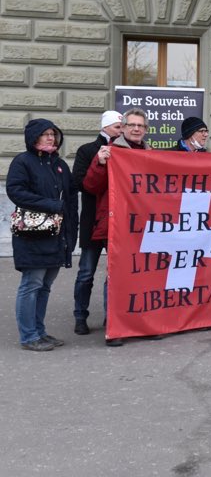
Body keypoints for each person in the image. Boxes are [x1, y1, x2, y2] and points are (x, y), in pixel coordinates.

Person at [82, 108, 153, 346]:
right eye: (132, 125)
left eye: (140, 126)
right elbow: (91, 186)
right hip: (118, 225)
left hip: (144, 226)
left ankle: (143, 323)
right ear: (122, 128)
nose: (136, 129)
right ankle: (115, 326)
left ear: (146, 129)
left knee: (144, 275)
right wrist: (100, 164)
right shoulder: (110, 152)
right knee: (116, 276)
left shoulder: (151, 154)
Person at [7, 119, 78, 351]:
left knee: (45, 286)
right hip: (32, 235)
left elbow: (70, 199)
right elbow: (16, 191)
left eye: (53, 134)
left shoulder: (59, 164)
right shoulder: (23, 161)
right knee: (32, 284)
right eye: (45, 134)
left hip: (57, 236)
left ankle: (39, 332)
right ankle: (29, 336)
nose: (50, 137)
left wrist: (72, 233)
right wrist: (51, 205)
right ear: (33, 137)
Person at [70, 110, 122, 335]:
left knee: (114, 274)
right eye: (118, 127)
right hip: (93, 220)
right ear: (106, 127)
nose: (121, 130)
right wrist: (99, 163)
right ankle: (80, 316)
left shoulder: (125, 150)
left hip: (116, 221)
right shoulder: (87, 150)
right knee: (86, 273)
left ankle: (111, 317)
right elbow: (79, 183)